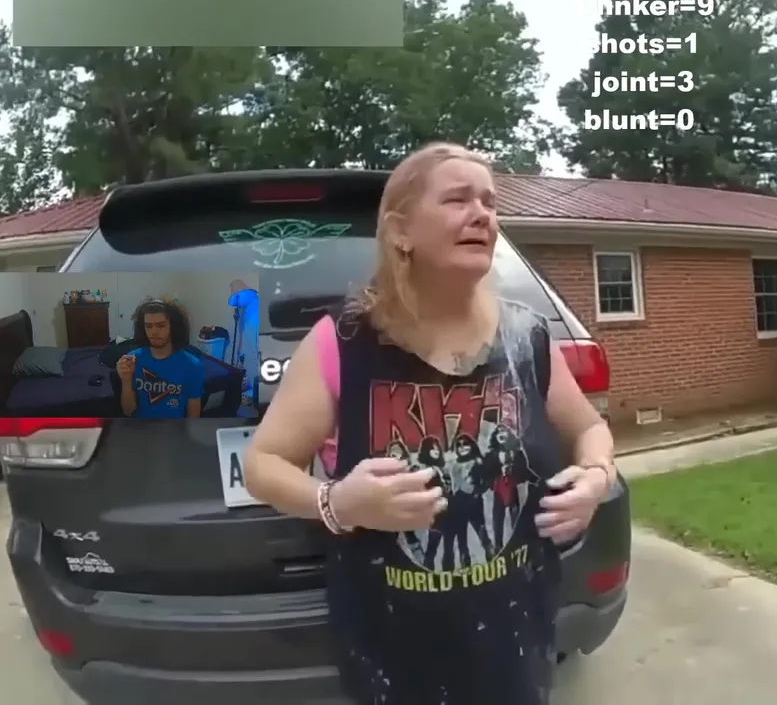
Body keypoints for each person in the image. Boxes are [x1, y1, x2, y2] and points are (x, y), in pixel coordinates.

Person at [242, 142, 616, 705]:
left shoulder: (528, 336)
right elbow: (263, 464)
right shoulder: (343, 343)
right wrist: (336, 502)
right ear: (401, 232)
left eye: (490, 202)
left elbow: (590, 429)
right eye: (458, 199)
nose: (482, 214)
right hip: (394, 647)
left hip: (516, 636)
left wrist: (595, 477)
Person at [117, 298, 203, 419]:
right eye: (148, 326)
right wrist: (126, 381)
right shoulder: (132, 360)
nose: (154, 332)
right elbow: (128, 411)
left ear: (173, 327)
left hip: (174, 429)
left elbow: (193, 415)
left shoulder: (192, 365)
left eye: (161, 325)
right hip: (140, 428)